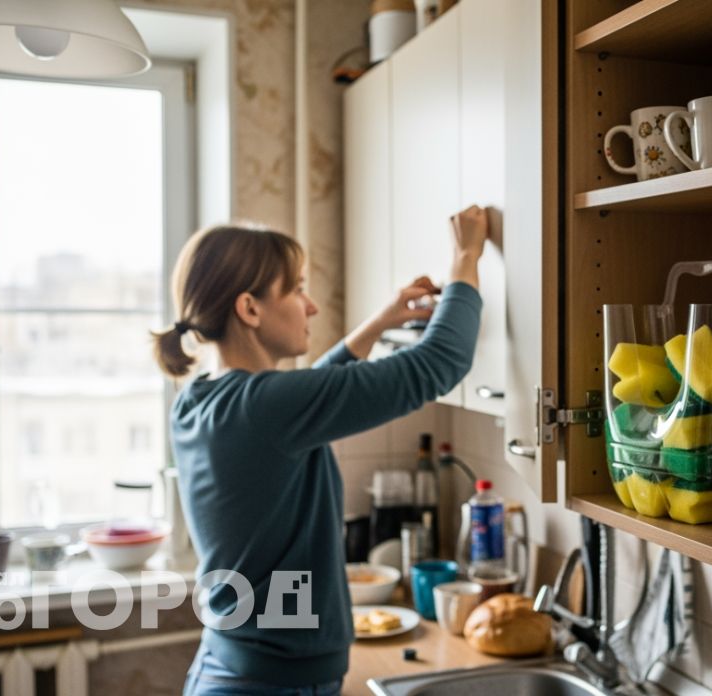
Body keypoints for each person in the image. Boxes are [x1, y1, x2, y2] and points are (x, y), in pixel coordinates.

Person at [153, 206, 489, 695]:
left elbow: (309, 398)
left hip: (231, 667)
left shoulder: (201, 400)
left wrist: (378, 324)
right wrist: (467, 255)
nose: (310, 306)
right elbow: (440, 362)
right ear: (249, 309)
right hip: (270, 685)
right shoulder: (265, 407)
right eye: (295, 290)